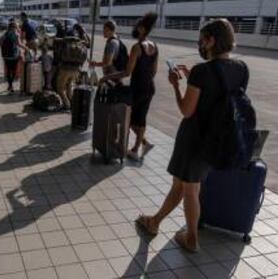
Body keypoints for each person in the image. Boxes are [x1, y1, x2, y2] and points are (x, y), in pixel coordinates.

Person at [136, 19, 249, 252]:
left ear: (211, 40)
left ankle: (191, 239)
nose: (200, 44)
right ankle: (154, 222)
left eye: (202, 39)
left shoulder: (201, 71)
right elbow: (222, 98)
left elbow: (187, 110)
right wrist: (193, 80)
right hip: (217, 139)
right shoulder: (241, 69)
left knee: (190, 189)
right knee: (181, 184)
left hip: (194, 138)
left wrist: (177, 86)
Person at [100, 13, 159, 161]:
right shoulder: (154, 46)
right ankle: (141, 146)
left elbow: (127, 72)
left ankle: (136, 148)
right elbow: (154, 71)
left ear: (140, 28)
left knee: (131, 120)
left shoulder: (137, 47)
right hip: (150, 87)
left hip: (138, 88)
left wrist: (107, 76)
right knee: (141, 118)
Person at [0, 21, 27, 93]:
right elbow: (19, 44)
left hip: (6, 56)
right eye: (16, 27)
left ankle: (10, 85)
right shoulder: (16, 34)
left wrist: (5, 46)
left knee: (8, 71)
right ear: (14, 27)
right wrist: (26, 48)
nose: (17, 28)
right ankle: (11, 85)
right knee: (14, 71)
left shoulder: (5, 34)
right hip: (14, 55)